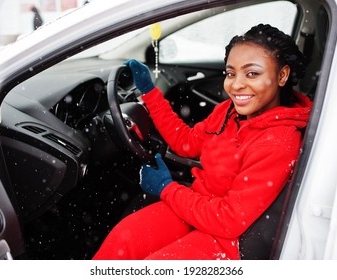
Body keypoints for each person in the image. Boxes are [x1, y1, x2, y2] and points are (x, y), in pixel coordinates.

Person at [92, 23, 313, 260]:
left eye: (252, 73)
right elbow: (185, 142)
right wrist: (149, 91)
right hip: (196, 207)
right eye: (230, 73)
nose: (236, 85)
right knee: (125, 239)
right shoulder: (229, 111)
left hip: (229, 240)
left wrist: (167, 188)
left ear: (282, 75)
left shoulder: (278, 142)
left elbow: (229, 220)